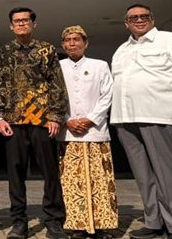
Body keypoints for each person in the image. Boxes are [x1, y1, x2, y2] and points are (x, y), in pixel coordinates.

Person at [110, 4, 172, 239]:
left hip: (161, 116)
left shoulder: (170, 41)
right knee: (144, 176)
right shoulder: (122, 49)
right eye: (133, 17)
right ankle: (155, 221)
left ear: (152, 19)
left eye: (144, 16)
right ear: (126, 23)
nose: (139, 20)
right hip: (126, 119)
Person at [0, 7, 69, 239]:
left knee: (50, 173)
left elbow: (56, 84)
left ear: (34, 24)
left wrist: (55, 116)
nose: (21, 24)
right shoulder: (4, 52)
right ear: (11, 26)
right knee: (16, 174)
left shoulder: (47, 49)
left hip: (42, 121)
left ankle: (54, 220)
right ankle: (18, 222)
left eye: (25, 20)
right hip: (13, 121)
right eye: (17, 21)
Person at [58, 25, 118, 239]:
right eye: (68, 40)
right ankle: (77, 225)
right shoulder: (56, 67)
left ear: (86, 43)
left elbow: (107, 94)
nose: (72, 43)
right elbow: (53, 98)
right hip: (68, 133)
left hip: (95, 132)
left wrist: (91, 119)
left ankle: (103, 225)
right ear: (63, 44)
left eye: (76, 39)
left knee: (100, 180)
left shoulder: (99, 66)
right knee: (72, 182)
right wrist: (67, 120)